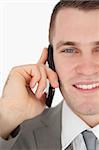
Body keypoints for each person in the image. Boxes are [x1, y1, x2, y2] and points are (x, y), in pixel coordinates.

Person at [1, 0, 99, 149]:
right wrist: (7, 115)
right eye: (69, 50)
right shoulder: (13, 137)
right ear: (50, 60)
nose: (87, 69)